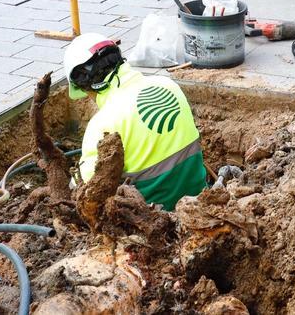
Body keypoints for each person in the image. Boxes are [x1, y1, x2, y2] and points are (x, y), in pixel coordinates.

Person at [67, 33, 207, 211]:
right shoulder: (168, 84)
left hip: (152, 215)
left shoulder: (104, 122)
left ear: (86, 86)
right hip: (199, 198)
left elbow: (84, 188)